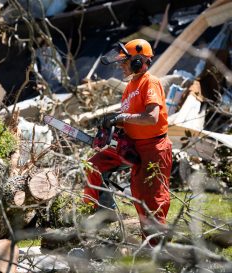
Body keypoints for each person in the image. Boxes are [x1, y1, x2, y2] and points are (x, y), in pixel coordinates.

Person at [83, 39, 172, 246]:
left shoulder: (150, 82)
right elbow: (128, 116)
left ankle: (156, 249)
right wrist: (110, 126)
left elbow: (151, 117)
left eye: (125, 62)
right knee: (94, 165)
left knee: (150, 197)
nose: (121, 66)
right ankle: (100, 218)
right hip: (132, 143)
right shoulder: (130, 85)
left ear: (138, 61)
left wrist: (122, 118)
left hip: (153, 147)